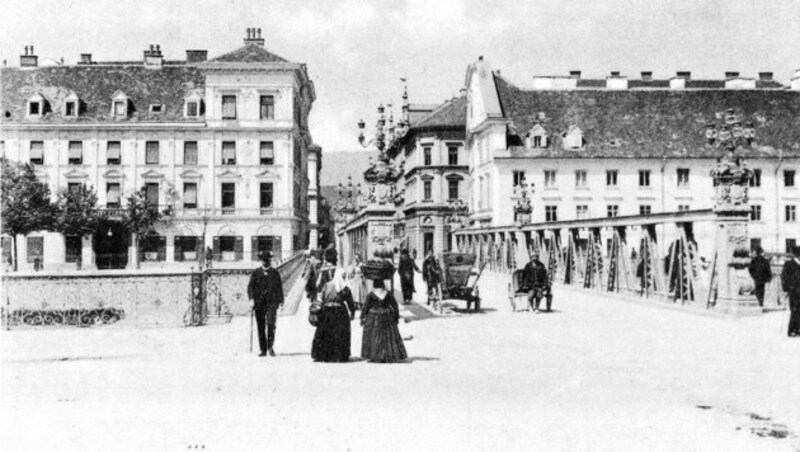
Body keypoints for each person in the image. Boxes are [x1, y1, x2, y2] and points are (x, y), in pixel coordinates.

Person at [311, 263, 356, 363]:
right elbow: (350, 302)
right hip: (340, 312)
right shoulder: (345, 288)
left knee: (326, 333)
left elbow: (321, 299)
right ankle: (339, 355)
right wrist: (352, 312)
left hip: (327, 311)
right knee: (339, 334)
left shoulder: (326, 285)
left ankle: (324, 355)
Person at [361, 279, 407, 363]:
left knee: (374, 335)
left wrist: (362, 317)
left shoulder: (371, 294)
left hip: (374, 316)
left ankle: (375, 355)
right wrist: (396, 317)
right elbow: (395, 305)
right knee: (387, 335)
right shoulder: (388, 294)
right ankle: (387, 354)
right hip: (387, 315)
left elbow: (366, 307)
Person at [247, 251, 284, 357]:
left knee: (271, 324)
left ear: (270, 261)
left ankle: (270, 347)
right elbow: (250, 288)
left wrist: (281, 302)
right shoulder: (256, 273)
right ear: (260, 260)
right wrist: (251, 299)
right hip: (259, 303)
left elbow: (279, 288)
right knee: (261, 326)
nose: (265, 262)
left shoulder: (274, 273)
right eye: (263, 260)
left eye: (267, 260)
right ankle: (263, 349)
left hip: (272, 303)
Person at [780, 247, 800, 337]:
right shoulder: (789, 264)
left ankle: (798, 329)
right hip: (793, 291)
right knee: (794, 310)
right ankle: (791, 330)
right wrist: (787, 288)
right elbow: (784, 277)